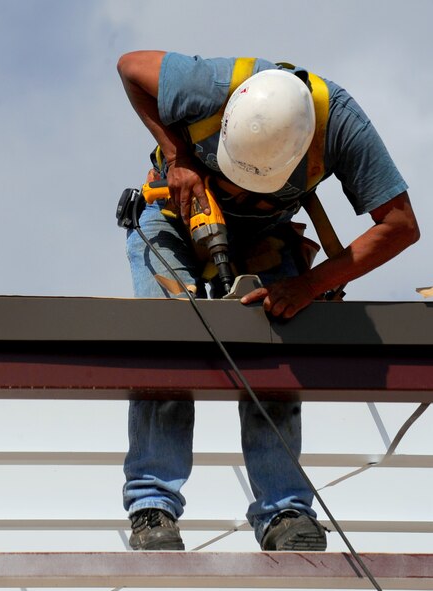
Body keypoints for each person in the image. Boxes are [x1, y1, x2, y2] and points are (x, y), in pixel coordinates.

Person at [116, 50, 420, 551]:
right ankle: (153, 507)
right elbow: (130, 67)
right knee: (167, 345)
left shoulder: (341, 126)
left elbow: (401, 226)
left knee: (274, 356)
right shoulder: (209, 86)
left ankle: (285, 513)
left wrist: (308, 286)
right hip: (173, 214)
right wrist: (178, 158)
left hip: (265, 231)